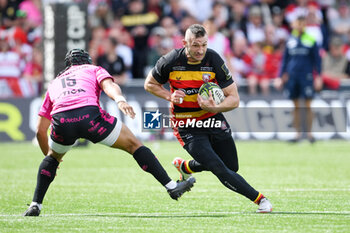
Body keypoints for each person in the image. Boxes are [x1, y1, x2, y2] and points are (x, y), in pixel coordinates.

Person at [23, 49, 195, 217]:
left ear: (67, 65)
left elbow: (40, 130)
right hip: (89, 116)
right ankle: (172, 187)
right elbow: (108, 85)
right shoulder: (94, 69)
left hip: (62, 122)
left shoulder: (54, 83)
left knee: (52, 159)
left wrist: (50, 157)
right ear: (87, 61)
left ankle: (35, 205)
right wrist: (120, 100)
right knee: (134, 146)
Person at [144, 24, 272, 213]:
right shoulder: (170, 60)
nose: (200, 50)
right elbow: (149, 84)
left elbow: (234, 99)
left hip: (213, 118)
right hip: (186, 124)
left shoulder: (213, 59)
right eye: (195, 45)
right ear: (184, 43)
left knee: (231, 166)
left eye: (204, 45)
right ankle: (261, 200)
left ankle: (186, 167)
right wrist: (169, 96)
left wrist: (215, 107)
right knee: (219, 168)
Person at [275, 16, 323, 143]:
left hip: (306, 76)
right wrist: (280, 77)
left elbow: (317, 61)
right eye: (298, 23)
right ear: (294, 24)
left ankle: (309, 134)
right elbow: (285, 61)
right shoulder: (290, 40)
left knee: (308, 105)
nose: (299, 25)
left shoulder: (311, 40)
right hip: (292, 77)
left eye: (302, 23)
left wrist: (318, 76)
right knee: (295, 106)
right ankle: (297, 134)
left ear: (305, 24)